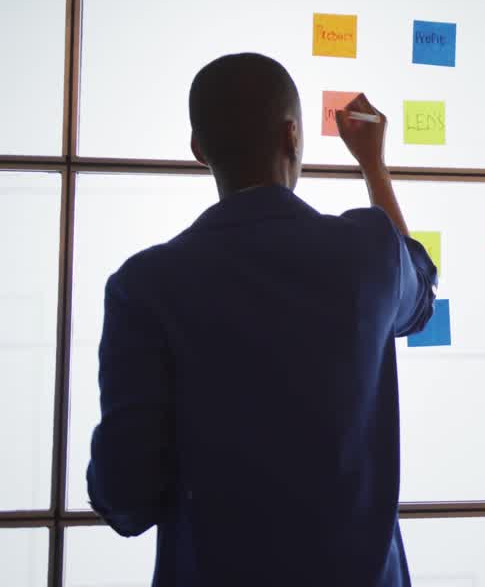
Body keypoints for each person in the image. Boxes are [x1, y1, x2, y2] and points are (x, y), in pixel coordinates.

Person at [87, 53, 437, 586]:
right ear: (293, 136)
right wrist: (372, 164)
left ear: (199, 150)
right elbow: (419, 294)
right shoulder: (366, 254)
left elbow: (125, 495)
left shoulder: (145, 286)